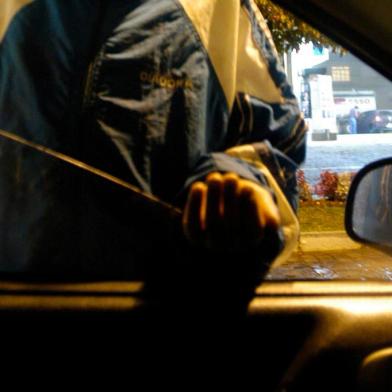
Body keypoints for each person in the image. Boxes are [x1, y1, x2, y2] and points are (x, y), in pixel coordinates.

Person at [0, 0, 306, 279]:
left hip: (159, 308)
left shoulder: (220, 8)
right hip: (19, 303)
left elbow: (280, 142)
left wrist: (241, 184)